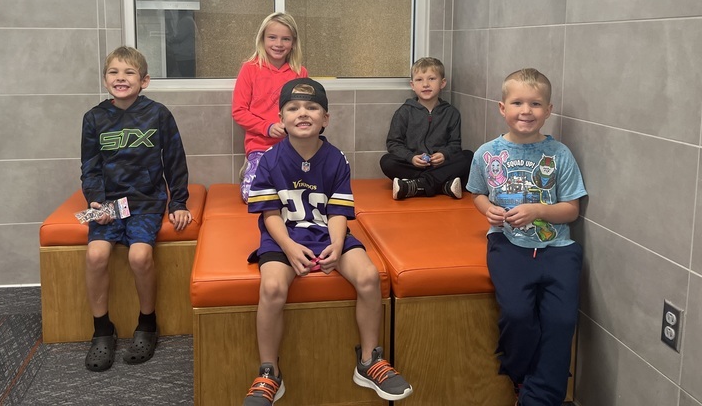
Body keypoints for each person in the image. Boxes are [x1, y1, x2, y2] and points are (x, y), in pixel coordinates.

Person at [243, 78, 413, 405]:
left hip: (327, 233)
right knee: (272, 287)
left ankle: (369, 360)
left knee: (368, 276)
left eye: (312, 107)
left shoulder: (336, 159)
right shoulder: (270, 160)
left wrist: (336, 244)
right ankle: (269, 372)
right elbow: (269, 214)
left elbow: (338, 211)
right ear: (281, 118)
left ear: (325, 118)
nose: (302, 113)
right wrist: (289, 247)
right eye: (293, 108)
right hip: (283, 238)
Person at [466, 68, 587, 406]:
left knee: (561, 321)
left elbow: (571, 210)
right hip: (508, 245)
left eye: (535, 104)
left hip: (558, 248)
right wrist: (487, 209)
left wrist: (537, 211)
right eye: (517, 102)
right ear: (502, 107)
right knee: (518, 315)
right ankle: (522, 375)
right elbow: (477, 194)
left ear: (548, 110)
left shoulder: (559, 154)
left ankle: (539, 398)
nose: (526, 111)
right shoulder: (486, 153)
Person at [81, 46, 191, 372]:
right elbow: (90, 167)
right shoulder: (94, 118)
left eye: (129, 72)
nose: (121, 78)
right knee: (96, 255)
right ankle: (102, 329)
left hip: (146, 202)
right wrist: (96, 201)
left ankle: (147, 323)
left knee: (139, 256)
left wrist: (179, 202)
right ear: (105, 79)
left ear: (144, 80)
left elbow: (175, 161)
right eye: (114, 72)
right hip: (108, 204)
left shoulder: (158, 114)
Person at [233, 12, 307, 202]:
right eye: (272, 37)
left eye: (285, 39)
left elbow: (304, 110)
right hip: (259, 147)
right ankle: (251, 169)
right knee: (252, 198)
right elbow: (239, 111)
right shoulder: (250, 69)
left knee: (299, 195)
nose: (278, 44)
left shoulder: (300, 73)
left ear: (293, 43)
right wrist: (268, 127)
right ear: (262, 39)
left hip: (293, 148)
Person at [380, 57, 472, 200]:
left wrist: (444, 154)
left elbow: (455, 144)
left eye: (432, 79)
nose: (425, 84)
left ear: (442, 83)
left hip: (440, 165)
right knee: (387, 161)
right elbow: (393, 143)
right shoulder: (404, 112)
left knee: (468, 157)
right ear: (412, 85)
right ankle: (443, 185)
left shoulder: (451, 113)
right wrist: (411, 158)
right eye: (419, 80)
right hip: (414, 165)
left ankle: (415, 186)